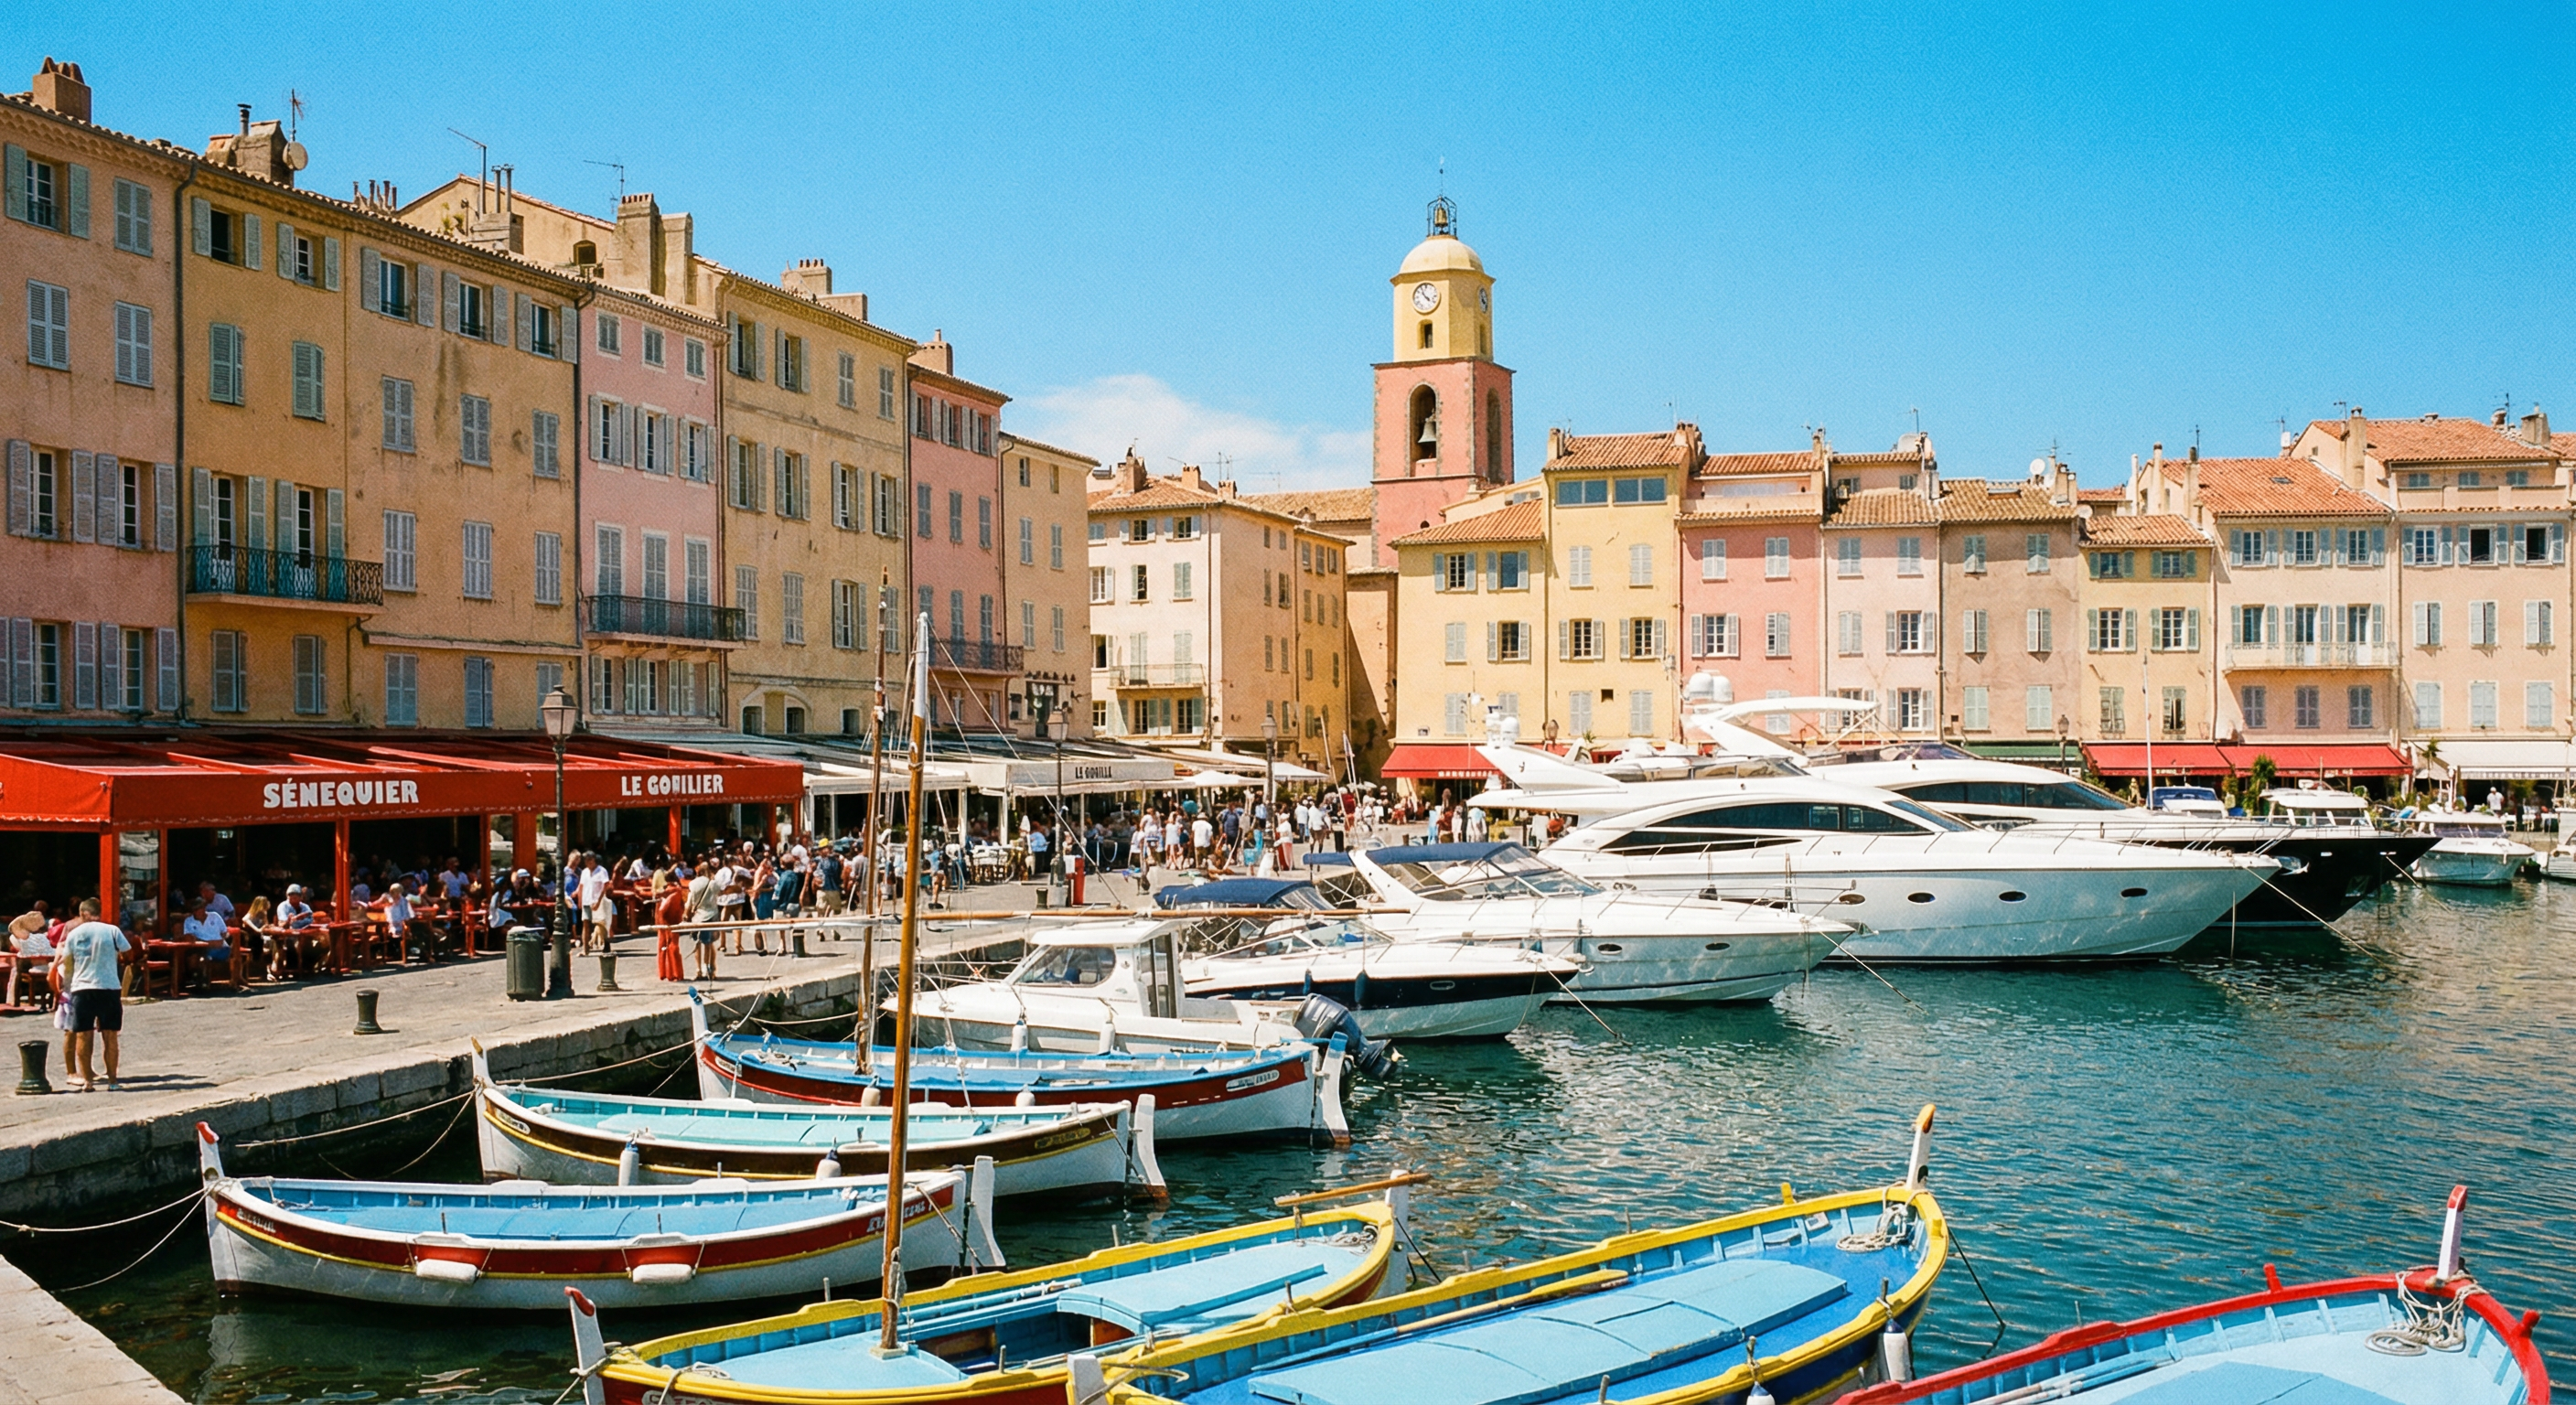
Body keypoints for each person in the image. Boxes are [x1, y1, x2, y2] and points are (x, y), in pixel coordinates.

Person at [54, 898, 129, 1092]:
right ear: (98, 913)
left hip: (81, 988)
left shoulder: (74, 934)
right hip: (108, 986)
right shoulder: (112, 930)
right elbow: (129, 953)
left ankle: (88, 1081)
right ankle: (113, 1081)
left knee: (83, 1035)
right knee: (110, 1036)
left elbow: (68, 962)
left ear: (83, 914)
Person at [181, 896, 234, 986]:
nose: (197, 911)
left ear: (204, 908)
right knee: (192, 956)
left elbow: (225, 932)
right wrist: (209, 943)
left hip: (220, 948)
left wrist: (222, 940)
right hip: (201, 946)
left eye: (200, 908)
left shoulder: (215, 916)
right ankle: (196, 978)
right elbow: (188, 937)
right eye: (195, 909)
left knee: (205, 956)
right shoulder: (189, 921)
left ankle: (203, 980)